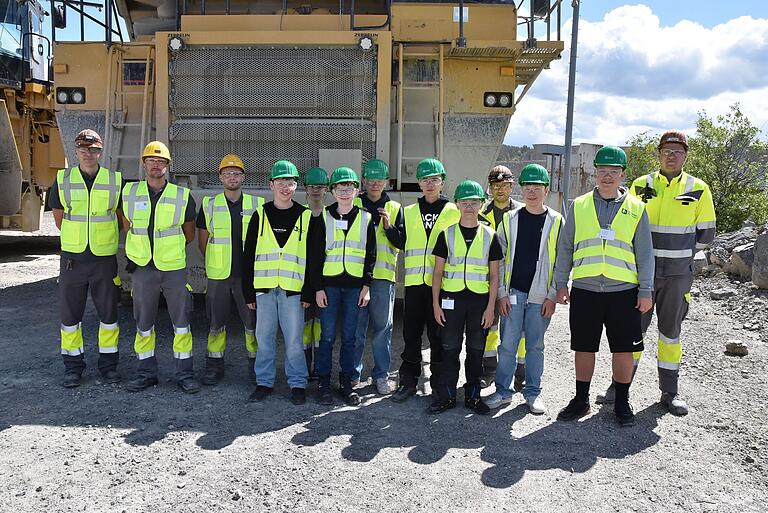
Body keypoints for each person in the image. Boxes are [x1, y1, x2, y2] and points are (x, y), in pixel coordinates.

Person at [595, 131, 716, 416]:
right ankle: (619, 387)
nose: (671, 155)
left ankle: (670, 392)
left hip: (677, 276)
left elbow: (706, 236)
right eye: (666, 150)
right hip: (640, 276)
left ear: (685, 156)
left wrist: (677, 256)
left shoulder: (698, 188)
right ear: (658, 154)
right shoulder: (640, 185)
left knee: (670, 334)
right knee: (631, 332)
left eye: (677, 151)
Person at [554, 146, 654, 426]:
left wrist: (645, 290)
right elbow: (565, 247)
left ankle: (622, 402)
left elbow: (645, 254)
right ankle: (581, 399)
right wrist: (562, 282)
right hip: (586, 290)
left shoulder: (636, 208)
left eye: (613, 172)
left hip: (624, 292)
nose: (607, 176)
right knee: (584, 347)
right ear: (594, 173)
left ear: (623, 174)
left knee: (623, 349)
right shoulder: (580, 205)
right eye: (602, 171)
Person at [484, 164, 563, 414]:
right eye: (527, 187)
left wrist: (552, 295)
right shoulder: (509, 220)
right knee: (507, 344)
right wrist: (502, 294)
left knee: (535, 346)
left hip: (541, 296)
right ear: (521, 190)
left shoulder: (556, 221)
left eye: (537, 188)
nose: (531, 192)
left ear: (546, 190)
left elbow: (561, 261)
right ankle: (503, 392)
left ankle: (532, 393)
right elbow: (500, 260)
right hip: (514, 293)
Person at [122, 141, 199, 393]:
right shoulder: (129, 193)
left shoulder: (182, 195)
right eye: (151, 160)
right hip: (143, 267)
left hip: (173, 267)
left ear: (168, 166)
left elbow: (189, 233)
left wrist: (167, 250)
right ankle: (145, 373)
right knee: (143, 322)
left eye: (161, 161)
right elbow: (127, 225)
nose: (156, 165)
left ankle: (184, 374)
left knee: (181, 322)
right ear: (144, 164)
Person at [49, 129, 123, 387]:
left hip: (104, 259)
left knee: (109, 316)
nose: (88, 154)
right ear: (76, 151)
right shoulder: (62, 180)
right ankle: (73, 367)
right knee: (70, 317)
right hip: (73, 259)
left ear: (101, 152)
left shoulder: (115, 181)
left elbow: (121, 219)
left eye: (93, 149)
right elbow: (59, 218)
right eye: (83, 149)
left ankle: (109, 366)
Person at [242, 160, 317, 405]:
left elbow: (314, 259)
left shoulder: (306, 217)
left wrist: (308, 291)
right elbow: (248, 255)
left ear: (297, 186)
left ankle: (298, 384)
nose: (286, 187)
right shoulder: (260, 215)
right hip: (264, 289)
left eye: (291, 183)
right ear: (271, 185)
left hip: (292, 291)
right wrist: (249, 293)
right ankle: (264, 382)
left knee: (294, 340)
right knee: (264, 338)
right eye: (281, 182)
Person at [391, 158, 460, 403]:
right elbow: (402, 243)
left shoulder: (455, 211)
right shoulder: (408, 213)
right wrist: (390, 230)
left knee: (439, 336)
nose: (429, 184)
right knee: (411, 336)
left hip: (442, 287)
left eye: (434, 179)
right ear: (418, 183)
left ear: (442, 181)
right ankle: (408, 382)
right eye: (424, 180)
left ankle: (440, 385)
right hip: (414, 285)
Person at [430, 180, 501, 414]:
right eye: (464, 202)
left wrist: (491, 307)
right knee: (449, 348)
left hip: (479, 302)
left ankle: (472, 396)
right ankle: (448, 395)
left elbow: (494, 275)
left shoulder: (490, 236)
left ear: (481, 204)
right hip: (451, 300)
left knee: (476, 349)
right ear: (457, 204)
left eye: (474, 202)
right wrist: (435, 305)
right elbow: (437, 272)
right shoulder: (446, 235)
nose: (469, 206)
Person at [197, 154, 264, 385]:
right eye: (227, 173)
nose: (232, 177)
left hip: (248, 277)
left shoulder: (257, 205)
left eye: (236, 173)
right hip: (219, 275)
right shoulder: (209, 204)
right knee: (216, 322)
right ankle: (214, 366)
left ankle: (257, 367)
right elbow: (202, 241)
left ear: (243, 177)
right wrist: (217, 261)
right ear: (220, 177)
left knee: (252, 323)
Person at [314, 167, 376, 406]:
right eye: (340, 188)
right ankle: (323, 382)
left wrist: (366, 286)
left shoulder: (366, 218)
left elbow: (371, 255)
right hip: (329, 287)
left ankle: (346, 383)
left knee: (350, 337)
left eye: (349, 188)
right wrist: (318, 288)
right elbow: (316, 255)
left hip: (354, 288)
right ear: (332, 191)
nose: (344, 192)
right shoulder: (324, 217)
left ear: (356, 191)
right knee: (327, 337)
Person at [353, 159, 404, 395]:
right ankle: (353, 374)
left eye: (379, 180)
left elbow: (401, 243)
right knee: (356, 327)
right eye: (371, 180)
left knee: (383, 328)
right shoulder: (353, 204)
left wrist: (388, 226)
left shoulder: (393, 208)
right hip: (356, 276)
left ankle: (381, 375)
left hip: (383, 276)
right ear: (364, 181)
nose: (374, 185)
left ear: (386, 182)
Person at [480, 165, 525, 389]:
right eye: (496, 186)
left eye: (504, 185)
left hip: (514, 279)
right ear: (490, 188)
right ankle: (489, 367)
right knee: (489, 325)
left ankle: (521, 369)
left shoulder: (522, 213)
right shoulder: (481, 214)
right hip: (487, 279)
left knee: (518, 327)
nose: (500, 190)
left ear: (511, 186)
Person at [302, 167, 329, 377]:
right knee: (303, 326)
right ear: (305, 189)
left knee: (320, 327)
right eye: (312, 187)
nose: (316, 191)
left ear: (326, 189)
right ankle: (304, 368)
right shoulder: (299, 215)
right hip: (302, 280)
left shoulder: (331, 217)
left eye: (320, 187)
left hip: (324, 281)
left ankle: (319, 368)